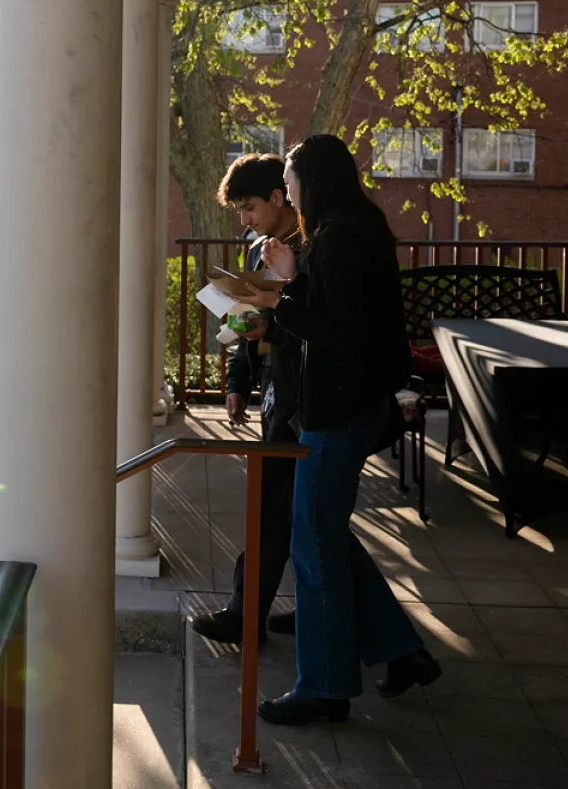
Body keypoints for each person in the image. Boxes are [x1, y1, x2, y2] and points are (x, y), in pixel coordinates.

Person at [235, 134, 439, 725]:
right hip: (342, 404)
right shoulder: (349, 231)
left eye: (293, 182)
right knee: (322, 534)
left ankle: (326, 688)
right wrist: (291, 282)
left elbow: (335, 331)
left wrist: (283, 292)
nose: (289, 192)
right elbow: (331, 317)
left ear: (312, 182)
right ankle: (402, 652)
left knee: (314, 546)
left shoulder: (343, 239)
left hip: (340, 409)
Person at [190, 153, 303, 645]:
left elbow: (300, 323)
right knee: (296, 512)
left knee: (276, 508)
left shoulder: (308, 249)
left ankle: (244, 612)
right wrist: (237, 382)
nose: (244, 220)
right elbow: (247, 315)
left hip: (303, 397)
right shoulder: (263, 249)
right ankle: (323, 607)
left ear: (279, 198)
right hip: (278, 392)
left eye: (250, 207)